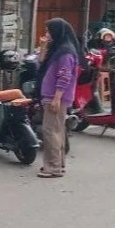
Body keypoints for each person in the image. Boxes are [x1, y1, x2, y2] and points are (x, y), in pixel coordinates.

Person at [36, 18, 80, 178]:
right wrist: (43, 46)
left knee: (50, 131)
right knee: (57, 131)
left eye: (49, 31)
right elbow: (41, 63)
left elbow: (64, 76)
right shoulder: (56, 49)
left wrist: (56, 98)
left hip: (56, 97)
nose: (47, 34)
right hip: (51, 95)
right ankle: (58, 165)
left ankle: (53, 167)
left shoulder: (65, 52)